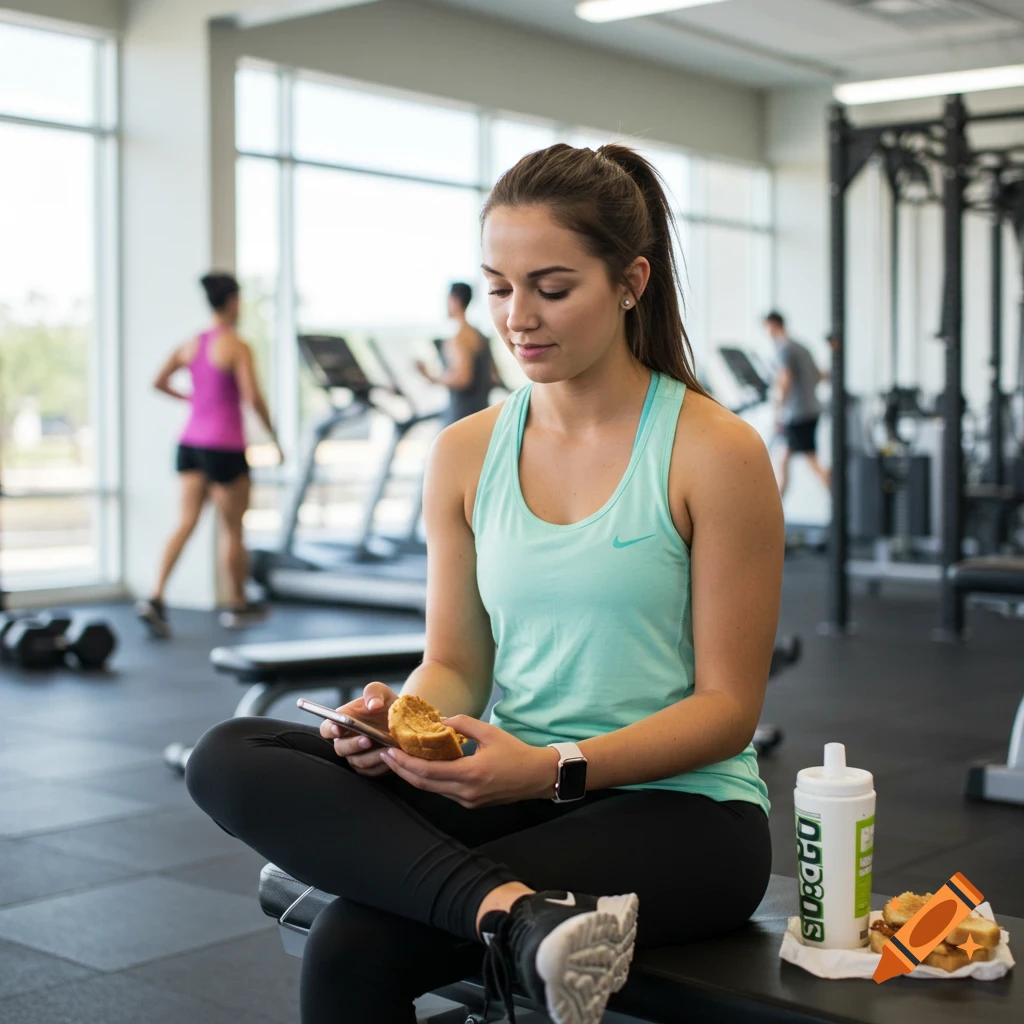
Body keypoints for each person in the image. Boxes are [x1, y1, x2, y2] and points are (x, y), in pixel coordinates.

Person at [185, 144, 784, 1024]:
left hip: (687, 816)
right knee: (228, 757)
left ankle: (515, 915)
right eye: (499, 287)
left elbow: (728, 709)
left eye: (552, 287)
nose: (518, 317)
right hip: (511, 783)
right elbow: (456, 663)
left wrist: (550, 769)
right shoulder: (466, 452)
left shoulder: (713, 450)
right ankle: (518, 919)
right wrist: (399, 721)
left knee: (355, 945)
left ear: (630, 282)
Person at [136, 272, 280, 637]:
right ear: (232, 301)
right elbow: (252, 397)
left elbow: (158, 381)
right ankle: (238, 603)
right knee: (232, 529)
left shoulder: (191, 344)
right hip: (225, 446)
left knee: (186, 522)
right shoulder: (236, 345)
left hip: (190, 444)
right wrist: (274, 436)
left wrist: (192, 400)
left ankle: (155, 596)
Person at [763, 311, 830, 497]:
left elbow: (784, 380)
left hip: (797, 414)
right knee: (785, 458)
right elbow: (819, 376)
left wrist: (777, 409)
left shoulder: (784, 348)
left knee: (803, 460)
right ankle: (775, 508)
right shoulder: (802, 347)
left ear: (773, 325)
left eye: (766, 328)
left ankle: (841, 501)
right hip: (811, 410)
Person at [415, 281, 494, 426]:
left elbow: (462, 378)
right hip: (481, 411)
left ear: (455, 300)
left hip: (462, 415)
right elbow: (493, 376)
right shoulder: (479, 335)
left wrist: (431, 377)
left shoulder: (460, 337)